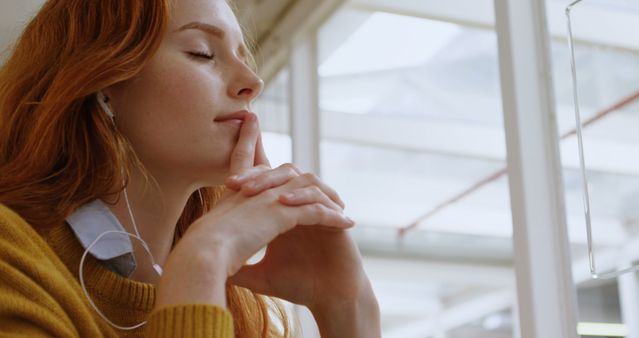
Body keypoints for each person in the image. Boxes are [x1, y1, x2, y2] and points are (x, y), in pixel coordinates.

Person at [0, 0, 381, 337]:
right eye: (203, 52)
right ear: (102, 80)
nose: (253, 82)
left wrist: (348, 308)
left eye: (244, 57)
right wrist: (202, 261)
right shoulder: (11, 259)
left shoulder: (240, 309)